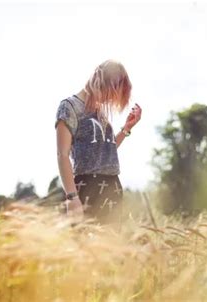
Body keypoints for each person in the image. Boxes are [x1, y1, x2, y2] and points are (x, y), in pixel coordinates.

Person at [55, 59, 142, 225]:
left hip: (113, 186)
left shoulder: (100, 112)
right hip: (87, 187)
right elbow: (63, 154)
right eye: (111, 93)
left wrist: (126, 128)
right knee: (83, 248)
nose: (110, 100)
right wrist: (72, 197)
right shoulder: (69, 107)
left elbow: (106, 150)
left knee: (110, 249)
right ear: (100, 82)